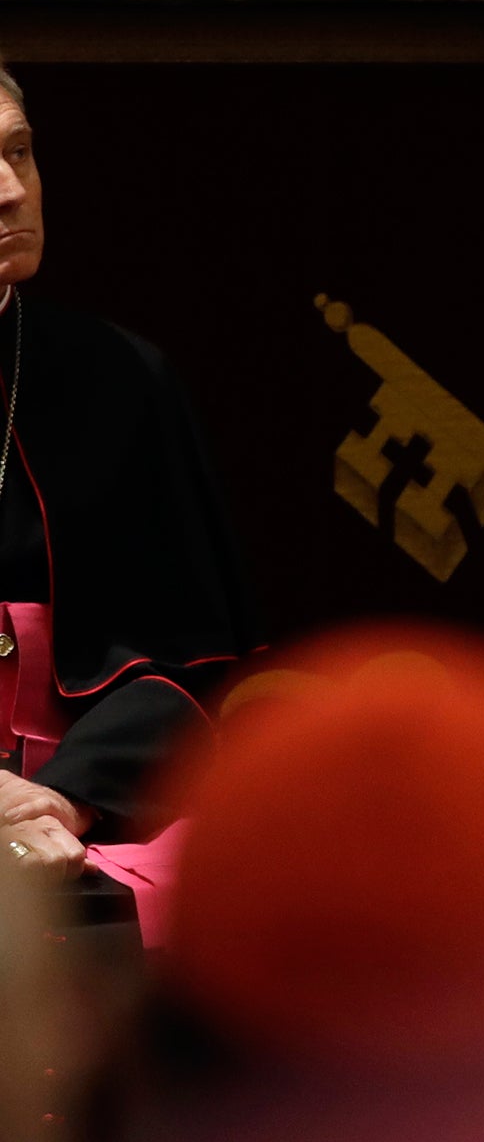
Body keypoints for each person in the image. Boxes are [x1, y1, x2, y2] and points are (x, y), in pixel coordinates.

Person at [0, 61, 260, 889]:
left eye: (21, 153)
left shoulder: (119, 375)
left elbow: (197, 655)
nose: (10, 190)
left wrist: (66, 798)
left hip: (83, 812)